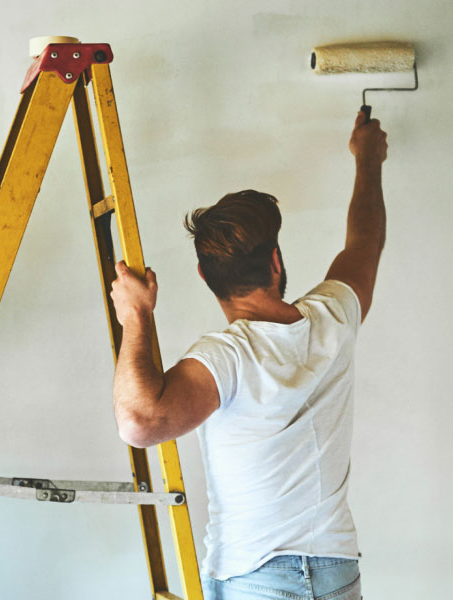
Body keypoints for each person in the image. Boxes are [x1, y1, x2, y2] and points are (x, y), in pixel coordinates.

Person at [106, 111, 387, 600]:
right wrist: (368, 157)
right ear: (276, 262)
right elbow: (366, 240)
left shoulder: (226, 358)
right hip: (337, 569)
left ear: (204, 276)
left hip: (257, 577)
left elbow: (139, 422)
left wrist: (137, 317)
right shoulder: (334, 317)